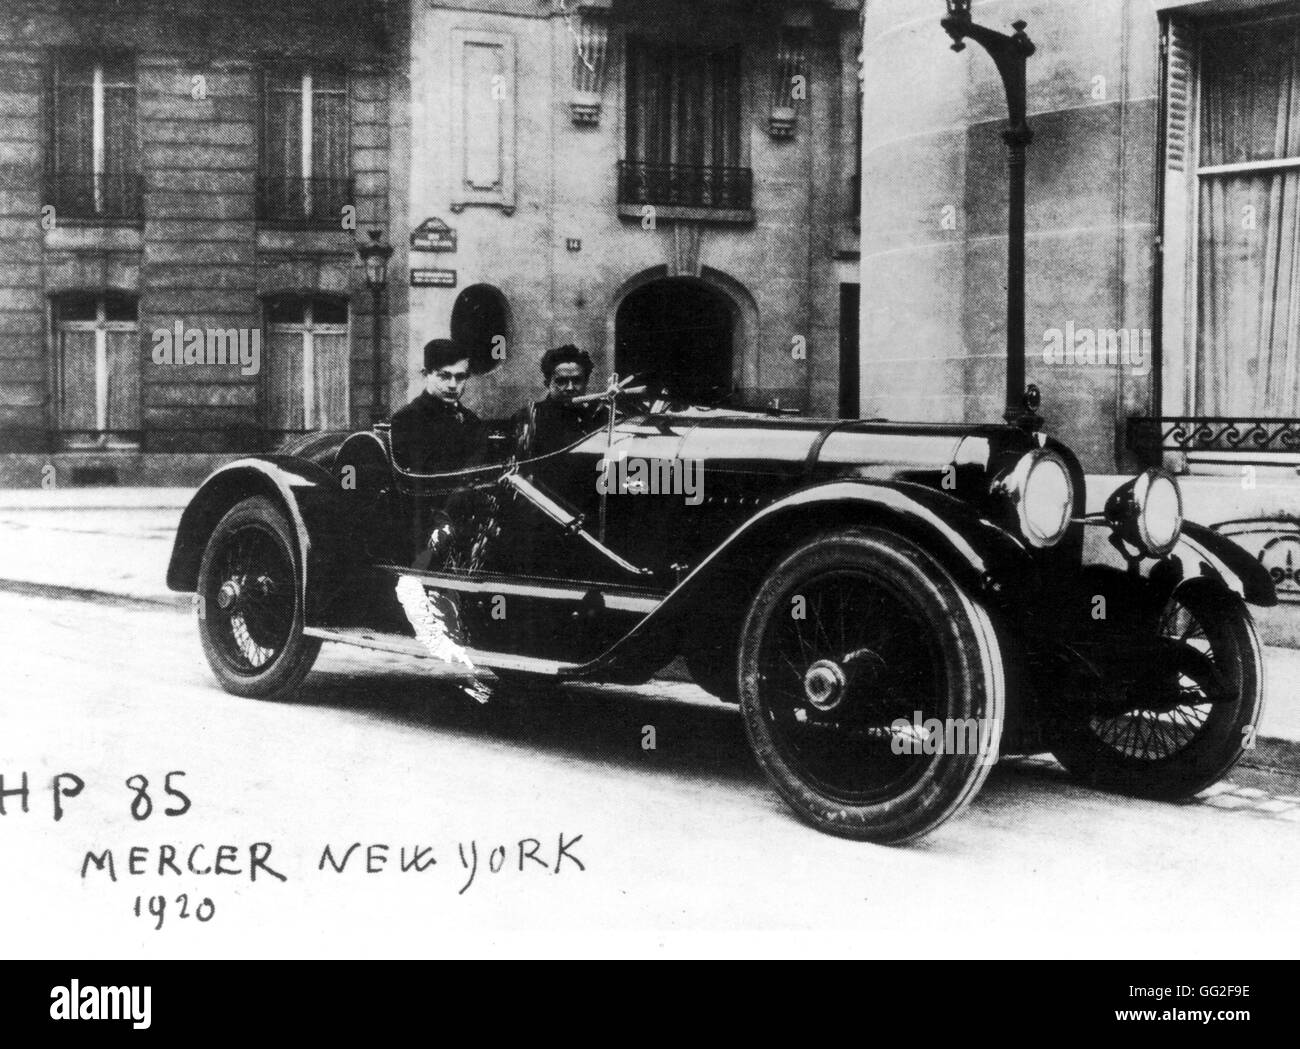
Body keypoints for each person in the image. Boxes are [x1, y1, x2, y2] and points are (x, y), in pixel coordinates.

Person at [390, 338, 487, 475]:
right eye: (444, 376)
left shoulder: (472, 420)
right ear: (426, 374)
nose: (453, 385)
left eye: (460, 377)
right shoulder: (407, 419)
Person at [513, 344, 600, 463]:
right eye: (561, 381)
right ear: (547, 383)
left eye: (576, 380)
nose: (570, 388)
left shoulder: (598, 416)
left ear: (586, 382)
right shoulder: (530, 416)